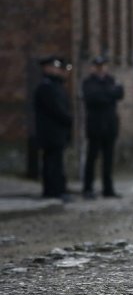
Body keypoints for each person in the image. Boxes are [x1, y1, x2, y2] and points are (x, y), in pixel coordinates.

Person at [81, 56, 125, 199]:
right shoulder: (88, 82)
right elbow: (93, 97)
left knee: (108, 159)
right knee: (92, 157)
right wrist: (109, 94)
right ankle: (88, 188)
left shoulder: (111, 80)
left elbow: (120, 94)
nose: (100, 69)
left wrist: (106, 94)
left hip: (110, 125)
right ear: (93, 68)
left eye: (103, 66)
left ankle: (108, 188)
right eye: (98, 66)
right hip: (95, 126)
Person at [33, 55, 73, 202]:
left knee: (56, 162)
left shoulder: (56, 86)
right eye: (54, 67)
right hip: (50, 132)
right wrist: (68, 119)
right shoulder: (46, 87)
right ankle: (52, 190)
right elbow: (56, 109)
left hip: (57, 132)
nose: (57, 70)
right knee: (51, 163)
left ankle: (57, 189)